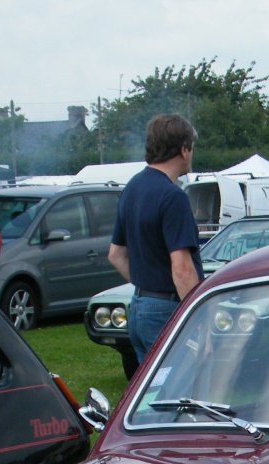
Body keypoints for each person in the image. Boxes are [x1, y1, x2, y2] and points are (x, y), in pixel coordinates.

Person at [108, 114, 202, 364]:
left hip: (139, 308)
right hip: (165, 311)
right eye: (190, 148)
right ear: (183, 150)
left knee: (152, 393)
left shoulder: (132, 189)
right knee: (181, 388)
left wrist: (148, 289)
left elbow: (116, 255)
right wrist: (199, 319)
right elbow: (182, 269)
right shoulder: (173, 197)